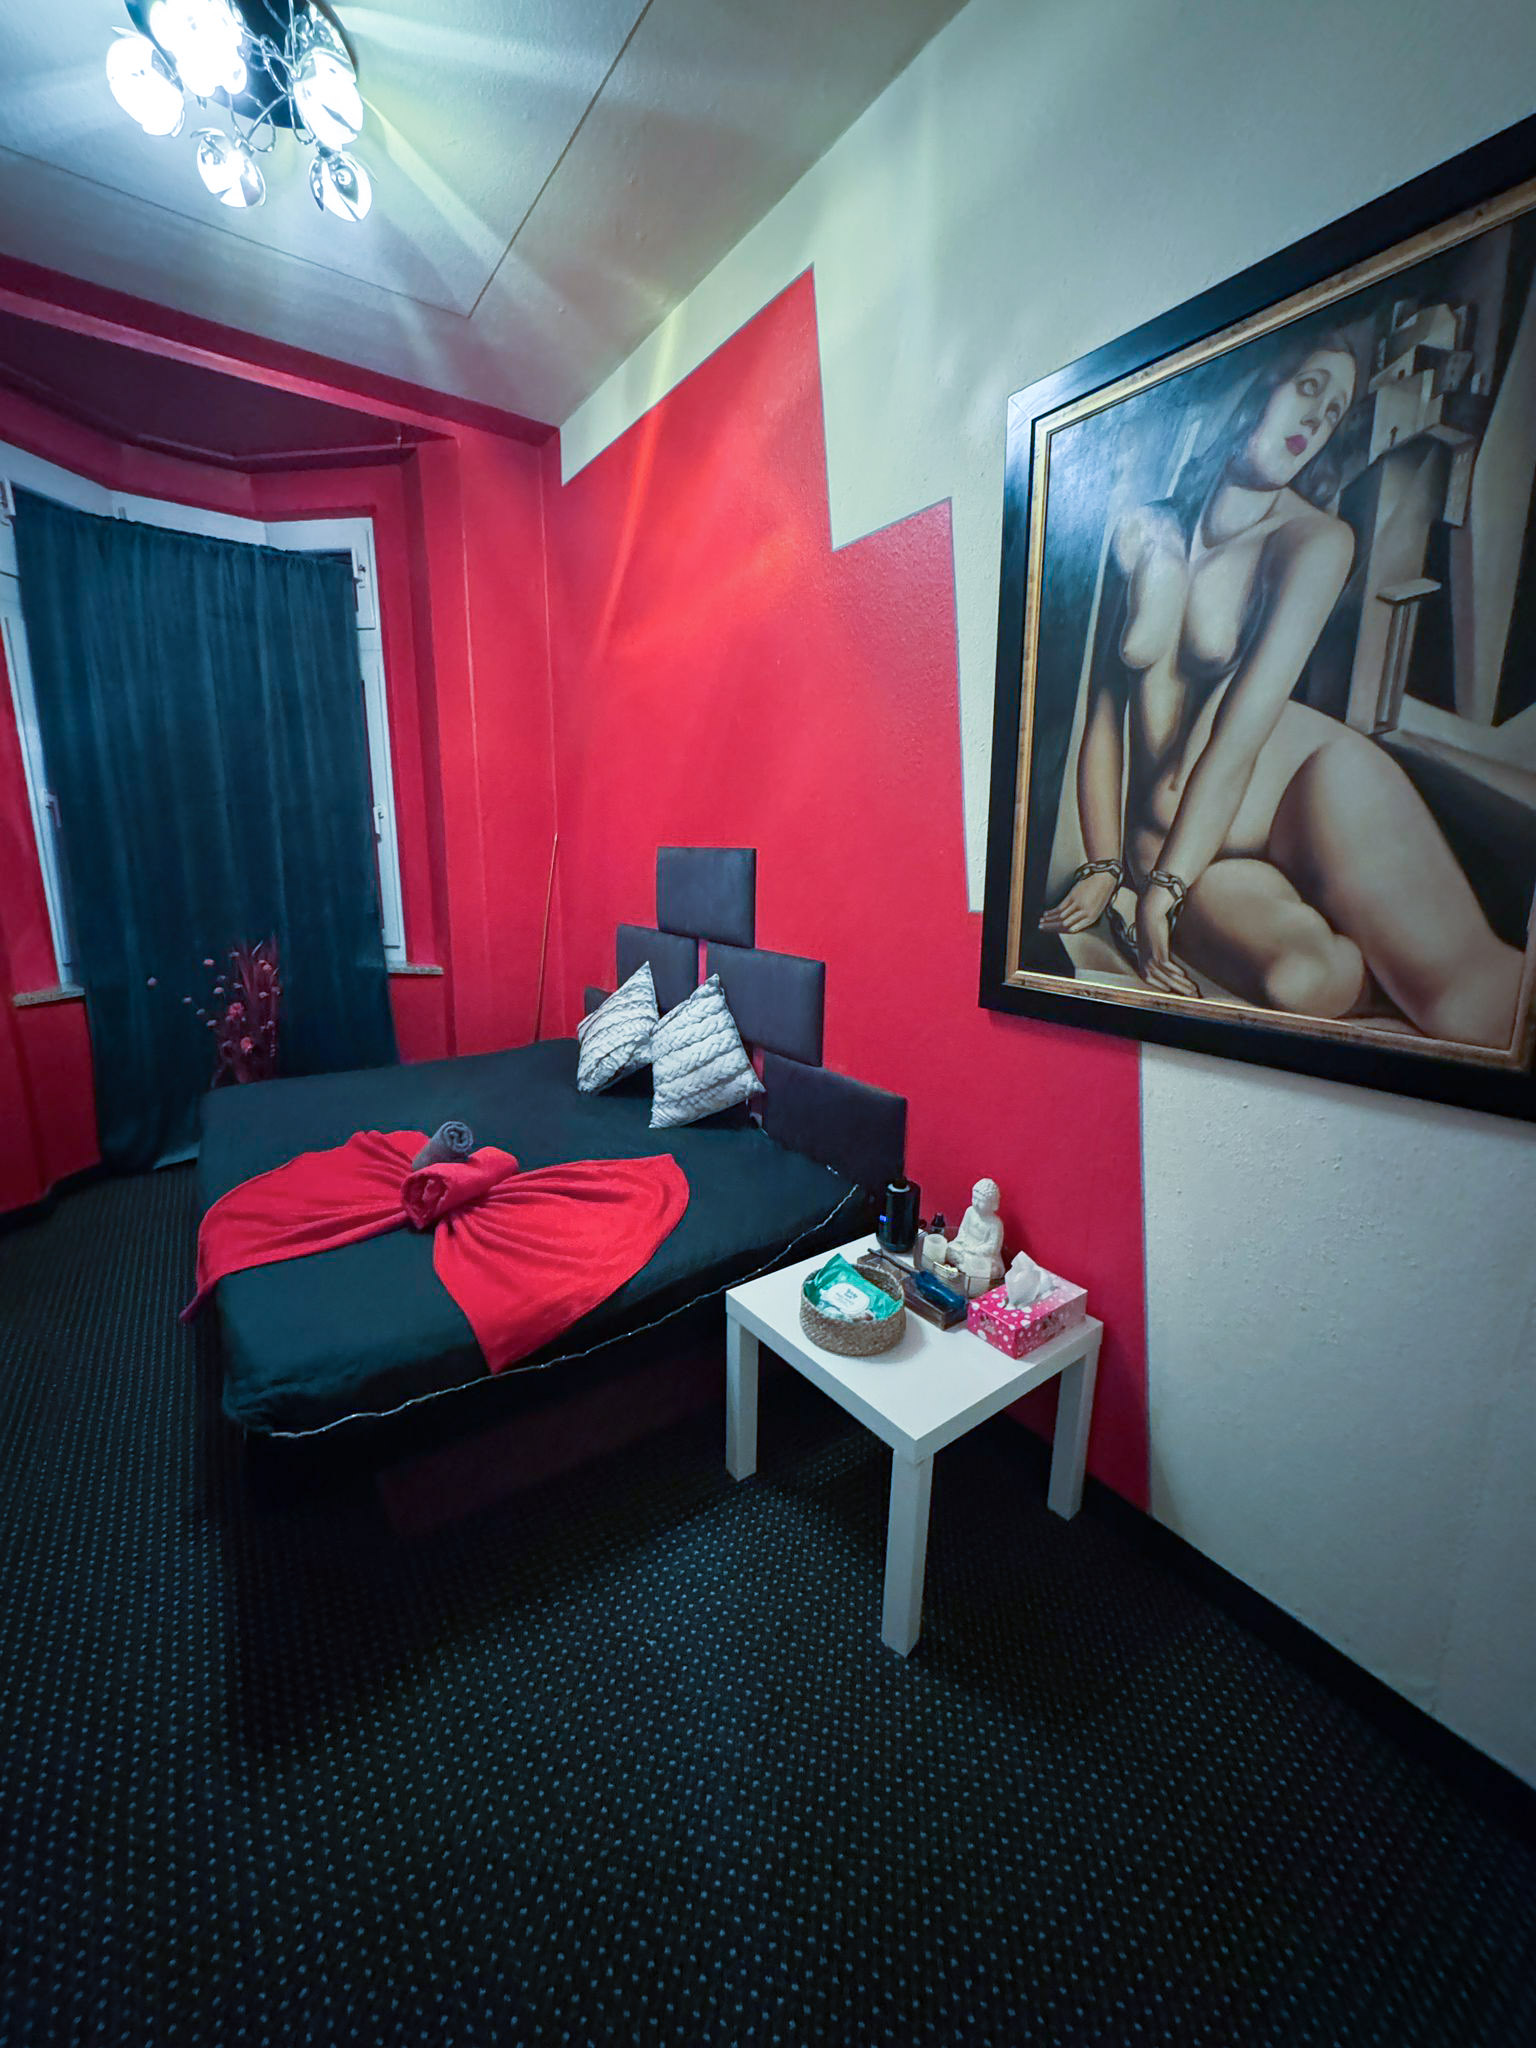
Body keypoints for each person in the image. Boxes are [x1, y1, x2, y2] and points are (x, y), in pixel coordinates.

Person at [1039, 328, 1525, 1048]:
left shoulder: (1313, 541)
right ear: (1259, 382)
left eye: (1332, 413)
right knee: (1304, 983)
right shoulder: (1149, 527)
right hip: (1185, 850)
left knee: (1467, 1004)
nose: (1314, 421)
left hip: (1307, 784)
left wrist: (1164, 891)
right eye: (1308, 389)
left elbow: (1239, 736)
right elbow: (1105, 713)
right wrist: (1108, 866)